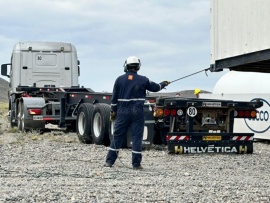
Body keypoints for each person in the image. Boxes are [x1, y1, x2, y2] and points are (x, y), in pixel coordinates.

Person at [104, 56, 170, 170]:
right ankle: (136, 164)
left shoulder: (119, 79)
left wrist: (113, 112)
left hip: (122, 112)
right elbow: (156, 87)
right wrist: (164, 83)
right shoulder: (143, 80)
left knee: (118, 137)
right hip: (137, 112)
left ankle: (109, 162)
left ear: (126, 66)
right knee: (137, 138)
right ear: (138, 67)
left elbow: (114, 99)